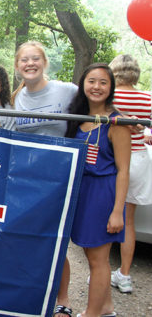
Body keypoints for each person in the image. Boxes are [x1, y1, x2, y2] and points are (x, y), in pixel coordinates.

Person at [11, 41, 78, 317]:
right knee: (27, 238)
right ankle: (30, 294)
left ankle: (63, 299)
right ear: (17, 66)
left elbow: (101, 105)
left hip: (60, 178)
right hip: (27, 179)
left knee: (56, 240)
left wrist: (128, 120)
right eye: (24, 60)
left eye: (35, 59)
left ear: (44, 62)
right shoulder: (16, 98)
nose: (30, 64)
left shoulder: (67, 90)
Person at [66, 63, 130, 317]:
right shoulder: (78, 117)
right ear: (83, 84)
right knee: (90, 254)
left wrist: (117, 212)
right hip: (82, 193)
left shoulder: (117, 123)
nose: (97, 87)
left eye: (103, 82)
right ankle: (106, 308)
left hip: (103, 195)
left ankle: (92, 313)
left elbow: (124, 170)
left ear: (111, 87)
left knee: (98, 260)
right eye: (92, 81)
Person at [108, 54, 152, 293]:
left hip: (114, 159)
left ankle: (102, 270)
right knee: (129, 221)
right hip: (139, 159)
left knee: (106, 213)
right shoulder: (147, 97)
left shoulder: (111, 96)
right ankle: (124, 274)